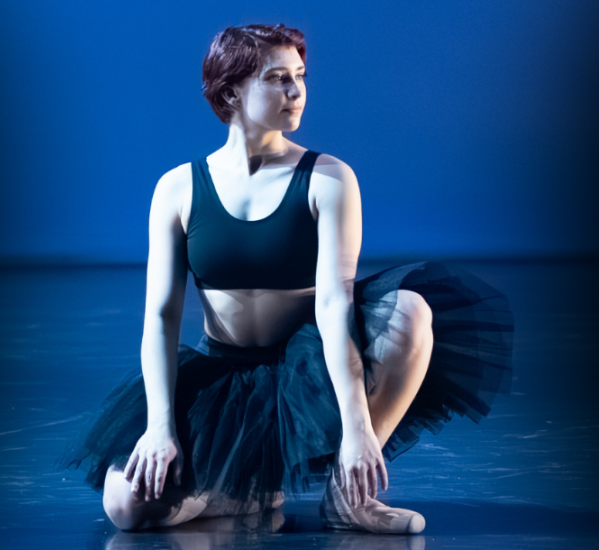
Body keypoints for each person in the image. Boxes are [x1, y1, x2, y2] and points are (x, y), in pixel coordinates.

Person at [62, 24, 513, 534]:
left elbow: (334, 306)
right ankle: (248, 494)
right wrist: (161, 425)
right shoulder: (178, 189)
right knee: (127, 508)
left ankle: (348, 495)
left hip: (310, 370)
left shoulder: (327, 178)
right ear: (231, 90)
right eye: (278, 79)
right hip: (223, 377)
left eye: (300, 77)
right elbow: (161, 318)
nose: (296, 92)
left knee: (410, 311)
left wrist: (358, 429)